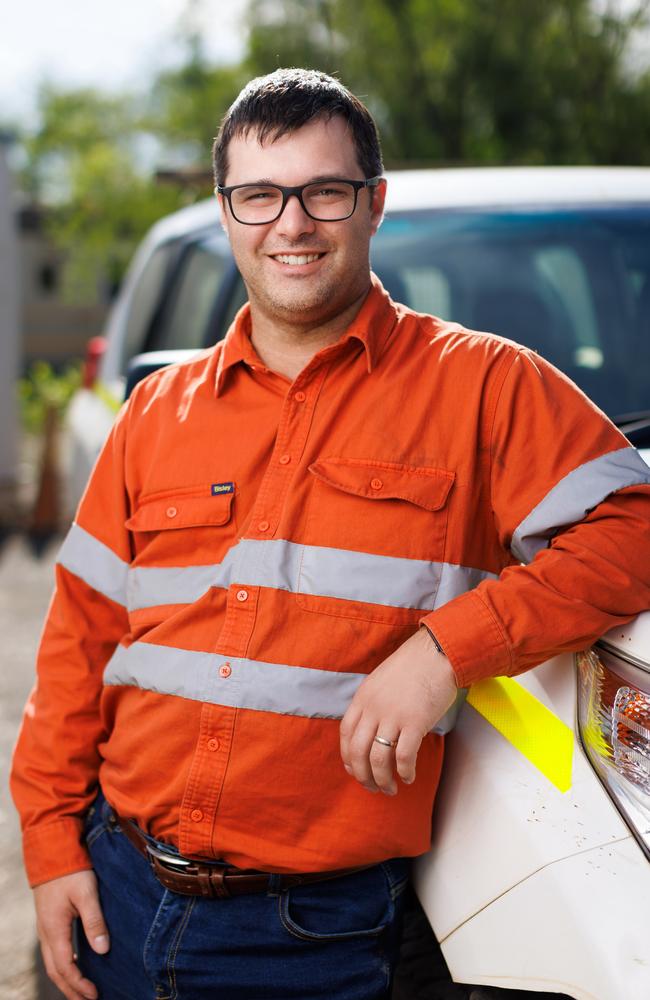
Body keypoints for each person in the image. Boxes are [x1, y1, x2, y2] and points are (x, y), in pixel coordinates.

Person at [10, 68, 650, 1000]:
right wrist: (48, 844)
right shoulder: (158, 410)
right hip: (118, 888)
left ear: (373, 203)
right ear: (228, 210)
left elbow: (632, 526)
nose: (292, 224)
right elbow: (78, 644)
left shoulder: (485, 387)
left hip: (311, 930)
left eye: (325, 192)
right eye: (260, 195)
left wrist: (441, 652)